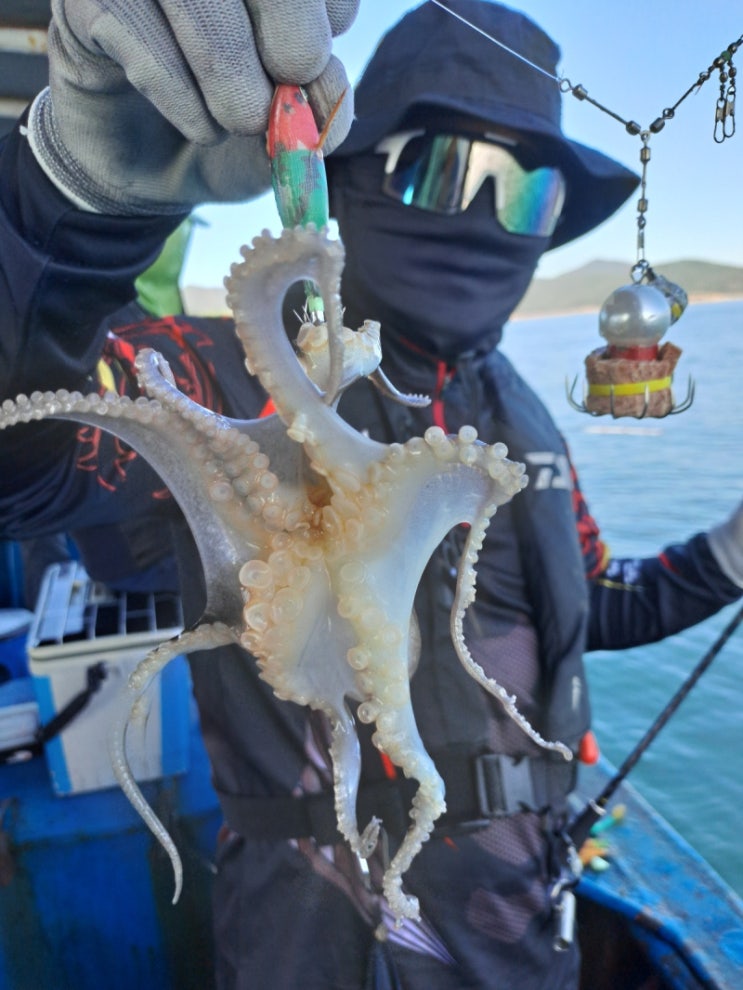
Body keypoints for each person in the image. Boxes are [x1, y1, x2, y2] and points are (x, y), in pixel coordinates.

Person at [0, 1, 741, 987]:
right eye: (436, 169)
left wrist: (732, 548)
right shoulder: (220, 379)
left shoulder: (519, 424)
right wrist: (69, 204)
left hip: (518, 927)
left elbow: (596, 601)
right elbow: (29, 451)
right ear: (348, 179)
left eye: (526, 195)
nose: (480, 217)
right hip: (305, 930)